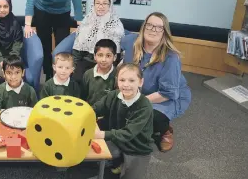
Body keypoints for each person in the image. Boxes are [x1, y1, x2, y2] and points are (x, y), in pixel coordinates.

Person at [121, 12, 192, 152]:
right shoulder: (131, 42)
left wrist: (136, 101)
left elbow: (167, 93)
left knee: (148, 118)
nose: (153, 30)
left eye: (158, 27)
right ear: (144, 27)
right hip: (138, 91)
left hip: (165, 97)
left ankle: (165, 130)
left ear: (164, 32)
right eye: (149, 25)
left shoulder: (171, 58)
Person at [24, 0, 83, 80]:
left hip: (62, 14)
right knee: (44, 45)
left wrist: (80, 25)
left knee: (61, 48)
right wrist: (28, 24)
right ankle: (49, 75)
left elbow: (77, 1)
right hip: (43, 12)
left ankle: (60, 75)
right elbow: (31, 0)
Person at [92, 63, 153, 179]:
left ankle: (121, 163)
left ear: (140, 82)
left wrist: (101, 134)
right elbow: (96, 109)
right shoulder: (114, 95)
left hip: (137, 148)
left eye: (131, 80)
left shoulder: (144, 106)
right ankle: (117, 161)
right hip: (117, 140)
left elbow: (128, 133)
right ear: (117, 81)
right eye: (122, 80)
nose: (126, 85)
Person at [72, 0, 124, 84]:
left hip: (106, 63)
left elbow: (117, 55)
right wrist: (74, 67)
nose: (101, 6)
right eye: (98, 3)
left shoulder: (116, 25)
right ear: (94, 4)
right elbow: (78, 50)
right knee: (77, 80)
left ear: (110, 5)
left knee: (99, 82)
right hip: (87, 60)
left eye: (105, 3)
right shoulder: (87, 21)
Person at [81, 39, 117, 105]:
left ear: (114, 57)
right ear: (95, 56)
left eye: (108, 56)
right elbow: (83, 97)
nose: (104, 59)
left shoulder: (118, 76)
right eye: (100, 55)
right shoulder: (88, 74)